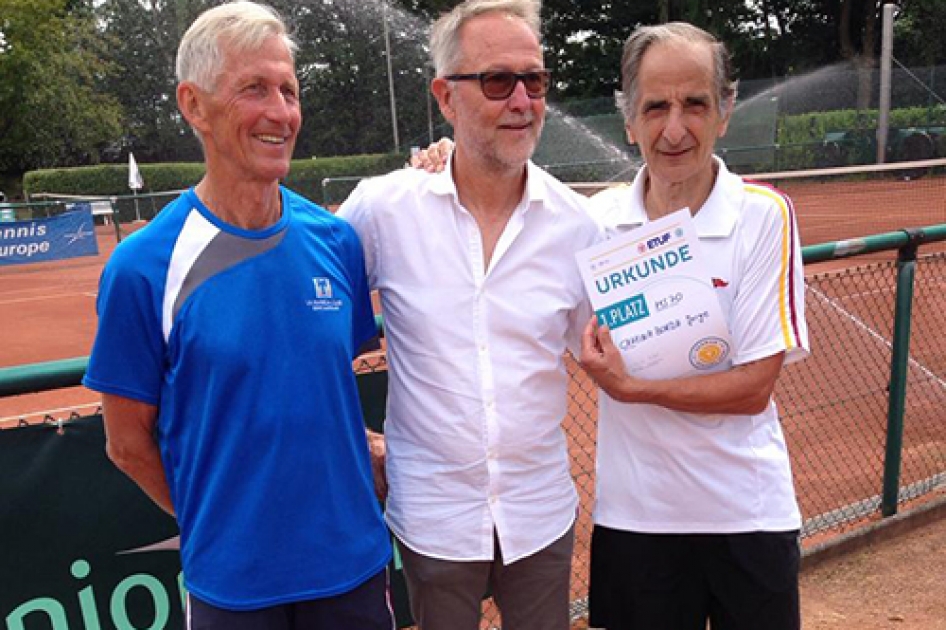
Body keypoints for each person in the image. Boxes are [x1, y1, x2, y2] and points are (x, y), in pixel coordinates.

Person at [82, 3, 393, 628]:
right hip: (232, 589)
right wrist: (219, 523)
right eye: (255, 89)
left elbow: (322, 392)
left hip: (354, 570)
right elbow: (125, 445)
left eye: (289, 90)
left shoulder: (336, 241)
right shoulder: (143, 268)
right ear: (194, 105)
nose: (280, 112)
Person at [336, 1, 600, 628]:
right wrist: (353, 436)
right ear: (445, 98)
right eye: (496, 80)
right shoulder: (381, 210)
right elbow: (311, 331)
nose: (521, 100)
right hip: (432, 517)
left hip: (539, 513)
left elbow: (612, 350)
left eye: (534, 80)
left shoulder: (577, 225)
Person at [579, 22, 810, 630]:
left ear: (725, 112)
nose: (674, 129)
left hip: (747, 520)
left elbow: (755, 385)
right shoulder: (594, 224)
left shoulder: (763, 217)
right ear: (629, 120)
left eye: (695, 104)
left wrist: (635, 389)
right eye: (656, 106)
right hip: (636, 525)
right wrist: (449, 161)